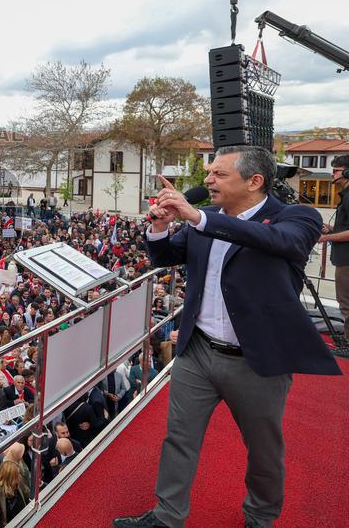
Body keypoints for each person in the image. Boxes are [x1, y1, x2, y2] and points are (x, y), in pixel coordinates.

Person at [114, 146, 340, 528]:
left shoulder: (297, 217)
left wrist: (199, 217)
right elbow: (166, 256)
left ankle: (260, 517)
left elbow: (277, 241)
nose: (208, 180)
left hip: (257, 361)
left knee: (263, 449)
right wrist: (159, 226)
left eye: (219, 174)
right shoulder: (208, 218)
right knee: (179, 438)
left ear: (254, 181)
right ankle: (167, 516)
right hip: (197, 351)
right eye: (210, 173)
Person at [320, 154, 349, 332]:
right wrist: (331, 229)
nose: (332, 174)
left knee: (346, 305)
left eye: (336, 170)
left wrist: (325, 238)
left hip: (346, 261)